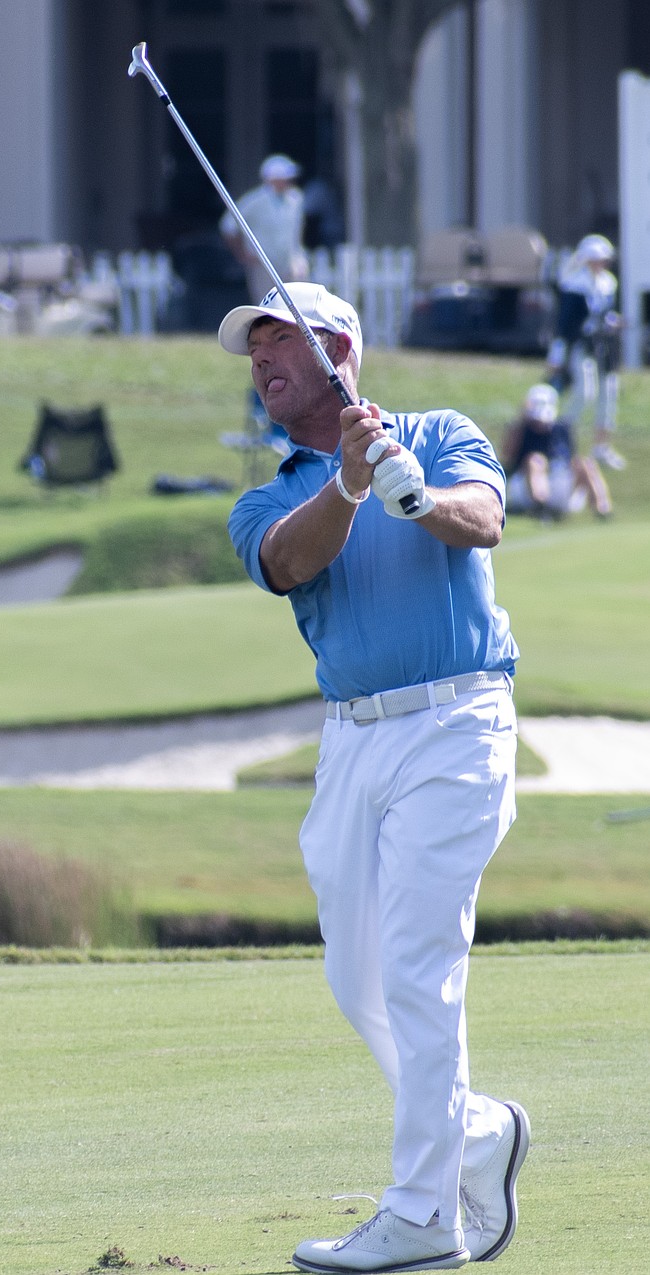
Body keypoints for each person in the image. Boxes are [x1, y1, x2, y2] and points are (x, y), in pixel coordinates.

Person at [219, 282, 530, 1274]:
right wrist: (351, 487)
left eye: (278, 343)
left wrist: (414, 493)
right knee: (358, 978)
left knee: (413, 964)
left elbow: (480, 522)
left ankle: (422, 1217)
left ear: (337, 348)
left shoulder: (438, 431)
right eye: (252, 350)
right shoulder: (267, 494)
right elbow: (287, 561)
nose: (261, 363)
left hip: (455, 723)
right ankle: (477, 1134)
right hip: (351, 743)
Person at [546, 233, 625, 470]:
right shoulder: (575, 284)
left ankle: (602, 447)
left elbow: (605, 312)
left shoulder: (608, 282)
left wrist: (613, 322)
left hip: (604, 344)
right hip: (583, 344)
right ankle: (559, 436)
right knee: (585, 392)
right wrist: (557, 355)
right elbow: (566, 323)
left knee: (608, 394)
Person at [503, 383, 612, 520]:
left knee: (585, 463)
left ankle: (602, 510)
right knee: (536, 460)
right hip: (526, 488)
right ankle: (541, 508)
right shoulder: (521, 430)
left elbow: (572, 459)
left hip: (561, 484)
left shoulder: (562, 428)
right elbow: (507, 458)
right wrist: (520, 422)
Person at [219, 154, 309, 303]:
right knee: (267, 303)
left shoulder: (295, 198)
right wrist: (243, 253)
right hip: (263, 262)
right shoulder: (255, 200)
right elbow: (228, 225)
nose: (288, 182)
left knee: (297, 301)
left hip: (291, 261)